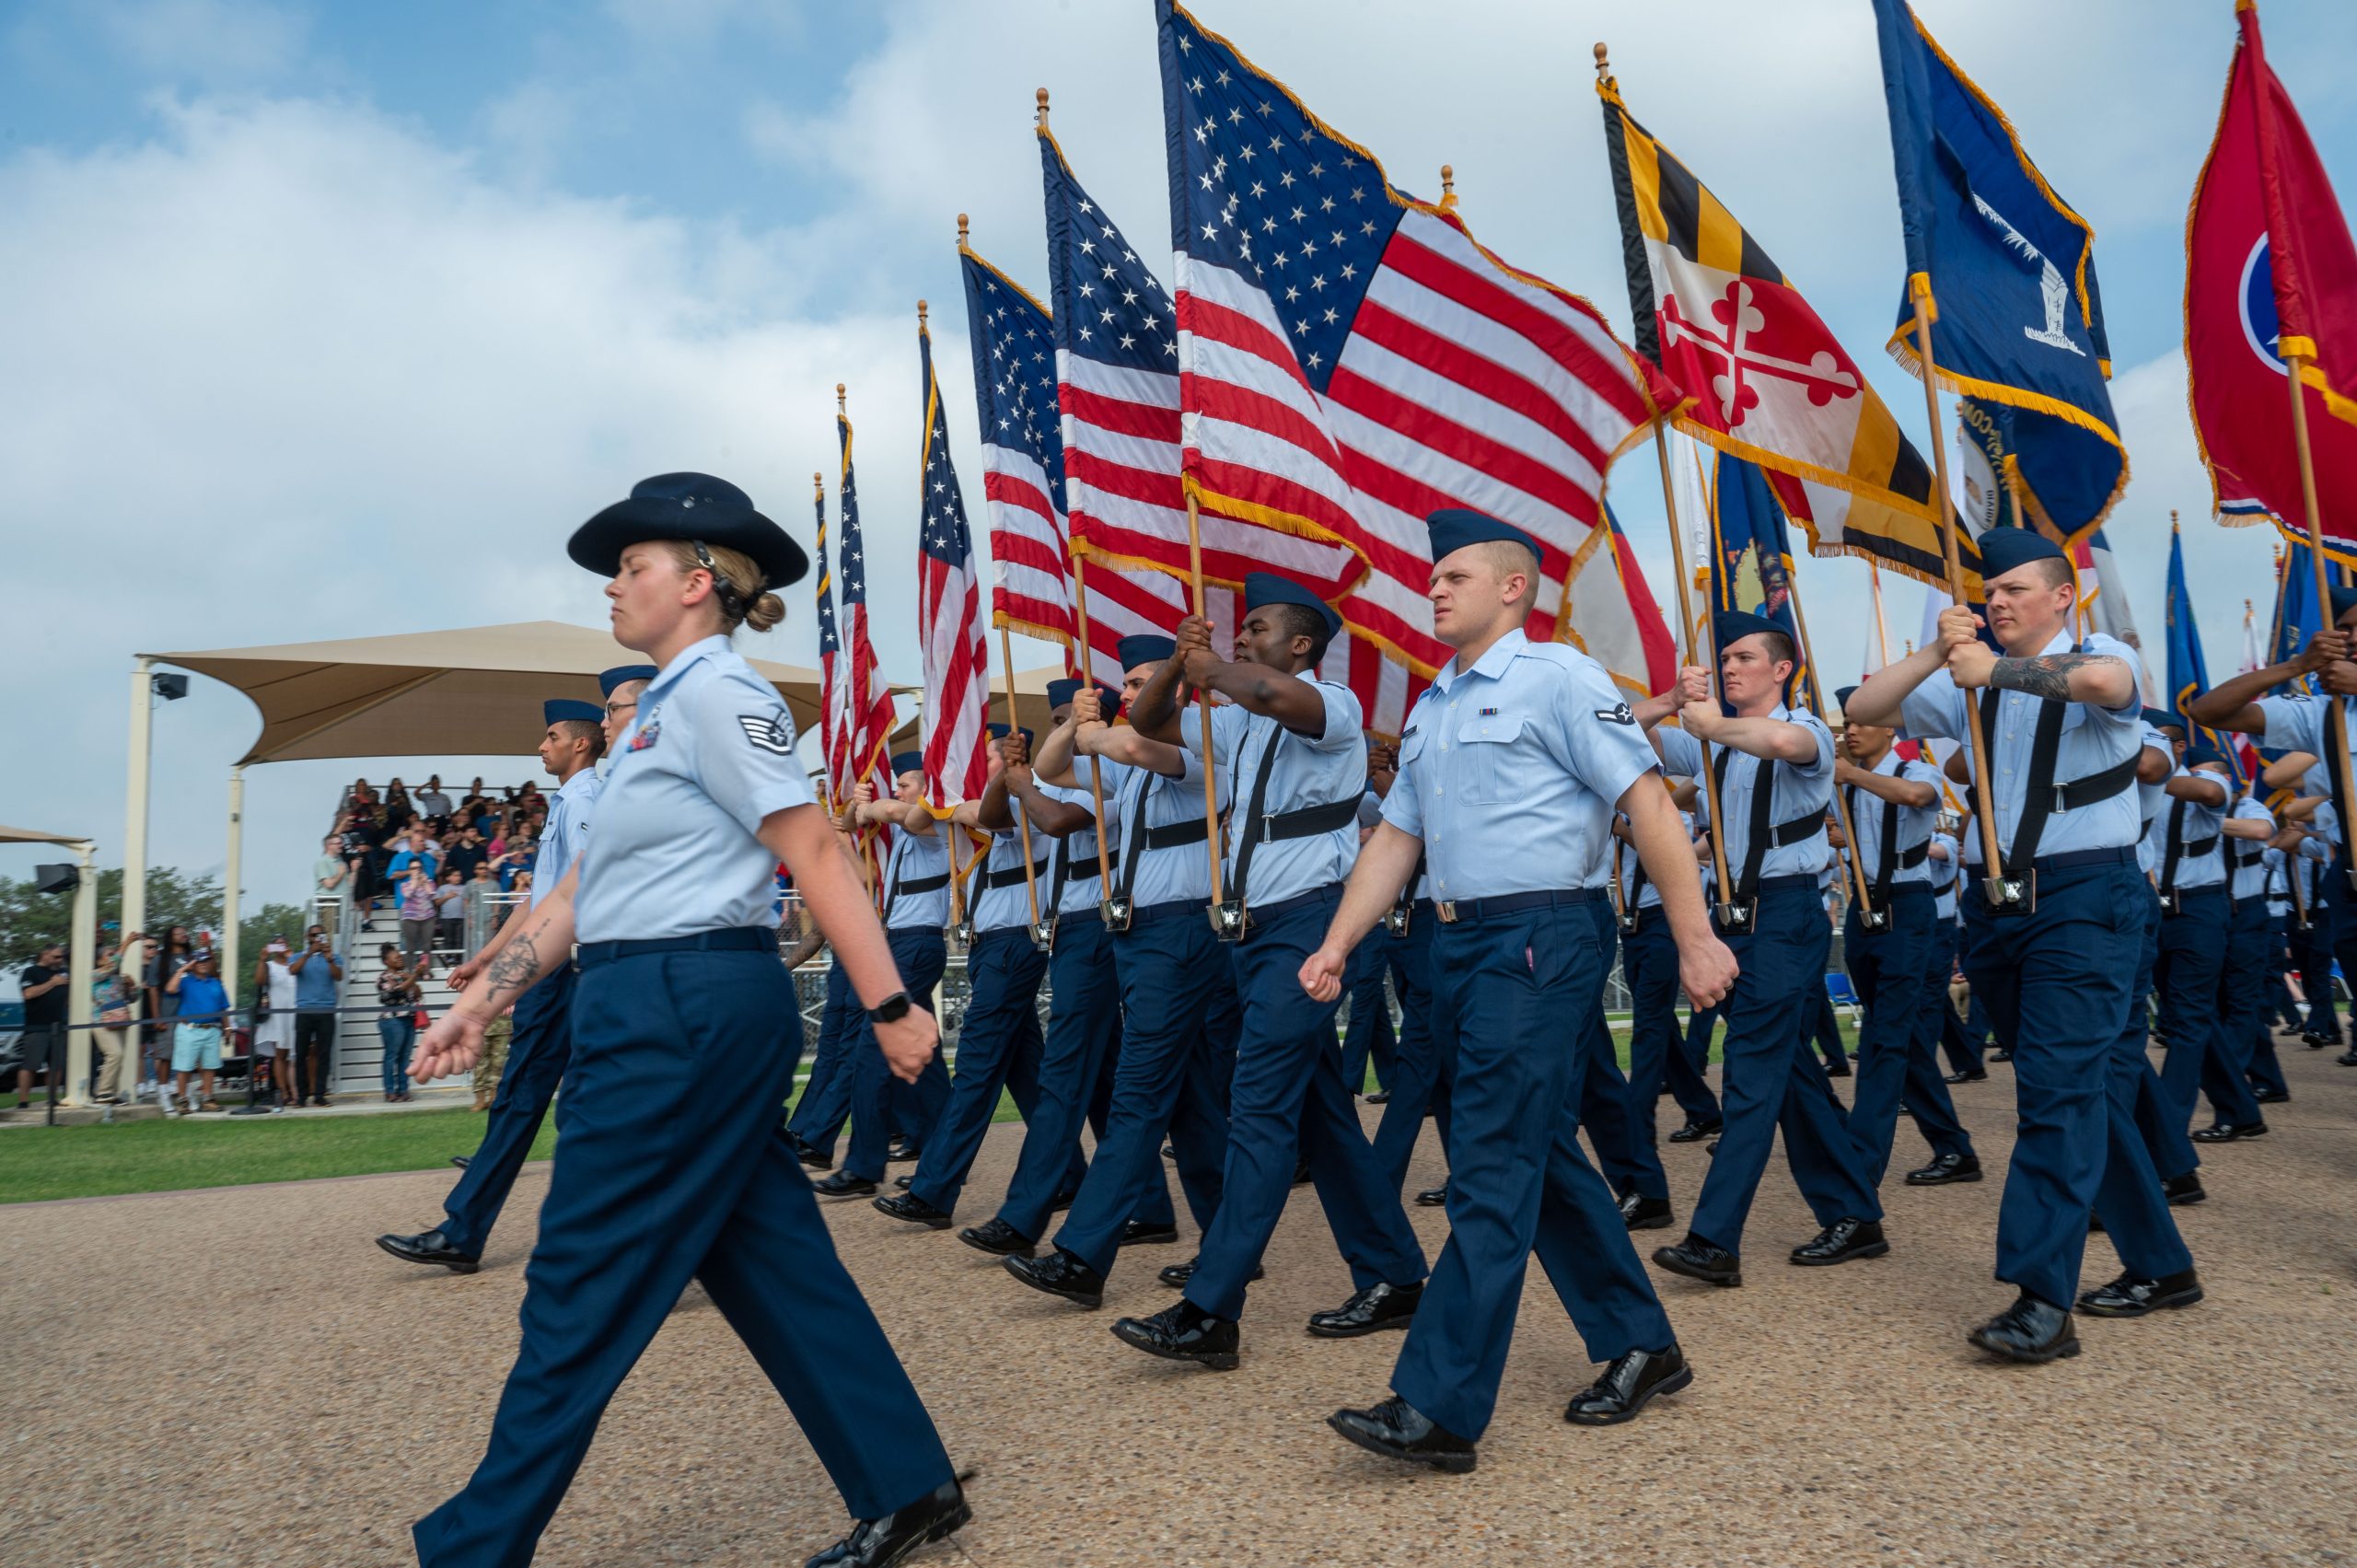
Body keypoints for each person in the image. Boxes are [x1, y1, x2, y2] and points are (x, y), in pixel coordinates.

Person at [401, 471, 967, 1567]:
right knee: (769, 1253)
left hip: (684, 1002)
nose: (614, 586)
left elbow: (814, 848)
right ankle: (908, 1482)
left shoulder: (721, 695)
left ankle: (472, 1549)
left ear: (698, 584)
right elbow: (570, 901)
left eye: (633, 567)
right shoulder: (654, 715)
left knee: (575, 1277)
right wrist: (476, 1000)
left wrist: (890, 1002)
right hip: (649, 995)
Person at [1304, 509, 1736, 1470]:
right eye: (1433, 576)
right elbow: (1396, 838)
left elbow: (1647, 800)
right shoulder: (1432, 703)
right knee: (1530, 1146)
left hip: (1541, 935)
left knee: (1491, 1166)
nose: (1434, 587)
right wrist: (1338, 939)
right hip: (1457, 944)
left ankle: (1438, 1403)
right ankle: (1642, 1342)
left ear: (1512, 587)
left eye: (1453, 575)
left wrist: (1694, 932)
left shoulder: (1560, 678)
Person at [1848, 526, 2197, 1359]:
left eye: (2013, 590)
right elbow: (1864, 710)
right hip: (1998, 908)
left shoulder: (2096, 651)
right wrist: (1942, 652)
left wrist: (1997, 666)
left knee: (2053, 1091)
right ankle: (2163, 1262)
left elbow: (2109, 683)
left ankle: (2043, 1297)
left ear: (2061, 596)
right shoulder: (1970, 682)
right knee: (2082, 1093)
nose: (1996, 602)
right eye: (1988, 592)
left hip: (2085, 899)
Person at [1107, 574, 1429, 1370]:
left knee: (1256, 1108)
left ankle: (1211, 1308)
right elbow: (1149, 724)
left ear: (1301, 644)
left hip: (1309, 921)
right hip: (1249, 933)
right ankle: (1394, 1274)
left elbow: (1282, 700)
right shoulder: (1237, 723)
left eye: (1255, 627)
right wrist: (1181, 670)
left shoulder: (1336, 704)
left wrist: (1217, 670)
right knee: (1321, 1113)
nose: (1239, 635)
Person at [1641, 612, 1888, 1288]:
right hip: (1728, 921)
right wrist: (1668, 702)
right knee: (1790, 1075)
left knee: (1750, 1072)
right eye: (1723, 658)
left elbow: (1779, 741)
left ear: (1782, 669)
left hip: (1785, 915)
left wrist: (1711, 723)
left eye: (1744, 656)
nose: (1729, 666)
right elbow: (1626, 737)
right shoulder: (1709, 741)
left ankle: (1714, 1239)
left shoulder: (1802, 725)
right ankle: (1854, 1213)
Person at [1000, 633, 1237, 1309]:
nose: (1125, 695)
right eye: (1124, 685)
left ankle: (1081, 1255)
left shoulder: (1193, 746)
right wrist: (1074, 722)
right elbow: (1052, 767)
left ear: (1176, 688)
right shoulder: (1124, 760)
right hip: (1143, 937)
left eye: (1137, 684)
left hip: (1181, 930)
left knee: (1136, 1097)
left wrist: (1103, 727)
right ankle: (1230, 1247)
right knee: (1191, 1105)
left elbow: (1129, 744)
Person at [377, 691, 610, 1272]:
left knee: (536, 1099)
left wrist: (514, 972)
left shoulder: (584, 798)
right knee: (536, 1100)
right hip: (555, 970)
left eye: (551, 737)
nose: (542, 745)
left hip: (566, 974)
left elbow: (577, 895)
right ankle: (472, 1224)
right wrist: (488, 960)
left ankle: (467, 1228)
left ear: (580, 743)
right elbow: (540, 898)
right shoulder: (568, 800)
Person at [958, 680, 1183, 1258]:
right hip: (1074, 926)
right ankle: (1153, 1208)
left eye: (1070, 716)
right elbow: (992, 819)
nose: (1063, 727)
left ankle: (1023, 1215)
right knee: (1104, 1078)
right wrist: (1010, 776)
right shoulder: (1064, 769)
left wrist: (1022, 783)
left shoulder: (1108, 772)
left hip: (1101, 926)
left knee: (1063, 1073)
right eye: (1057, 717)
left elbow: (1056, 821)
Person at [872, 726, 1057, 1229]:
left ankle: (933, 1190)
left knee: (975, 1070)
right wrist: (942, 794)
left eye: (984, 760)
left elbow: (984, 814)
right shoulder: (964, 806)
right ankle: (1070, 1177)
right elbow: (913, 819)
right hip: (988, 946)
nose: (971, 772)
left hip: (1014, 941)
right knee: (1030, 1077)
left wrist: (1005, 778)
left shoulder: (1026, 797)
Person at [1831, 688, 1980, 1188]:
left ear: (1890, 727)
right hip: (1862, 906)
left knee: (1885, 1037)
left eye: (1860, 720)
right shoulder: (1841, 779)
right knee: (1900, 1034)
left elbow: (1919, 799)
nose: (1850, 730)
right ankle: (1954, 1148)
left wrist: (1850, 775)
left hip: (1908, 903)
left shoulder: (1916, 770)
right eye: (1846, 723)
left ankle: (1859, 1164)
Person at [809, 752, 954, 1198]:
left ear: (927, 789)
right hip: (897, 944)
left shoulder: (932, 825)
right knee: (923, 1062)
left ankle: (864, 1167)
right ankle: (945, 1157)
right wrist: (857, 802)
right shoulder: (900, 831)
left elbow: (898, 813)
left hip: (916, 943)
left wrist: (875, 806)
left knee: (873, 1050)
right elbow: (847, 825)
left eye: (906, 784)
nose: (898, 791)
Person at [163, 950, 230, 1115]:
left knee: (209, 1066)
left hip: (212, 1029)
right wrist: (183, 969)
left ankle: (208, 1099)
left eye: (206, 960)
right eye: (198, 961)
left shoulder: (216, 982)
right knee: (184, 1067)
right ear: (192, 964)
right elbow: (170, 989)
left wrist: (227, 1028)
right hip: (189, 1029)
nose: (203, 963)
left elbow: (223, 1007)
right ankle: (182, 1101)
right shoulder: (186, 981)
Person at [288, 924, 343, 1107]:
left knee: (324, 1054)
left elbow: (339, 976)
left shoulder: (333, 956)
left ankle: (320, 1095)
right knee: (301, 1053)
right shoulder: (298, 956)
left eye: (320, 934)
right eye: (313, 935)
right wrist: (309, 953)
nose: (317, 938)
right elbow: (293, 970)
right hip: (304, 1009)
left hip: (326, 1009)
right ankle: (301, 1097)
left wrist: (329, 960)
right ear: (307, 937)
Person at [17, 943, 70, 1109]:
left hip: (59, 1026)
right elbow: (28, 994)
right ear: (44, 955)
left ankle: (52, 1099)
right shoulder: (31, 972)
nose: (60, 960)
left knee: (57, 1064)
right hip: (36, 1026)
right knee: (31, 1064)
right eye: (56, 957)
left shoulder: (64, 973)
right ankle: (23, 1100)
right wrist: (53, 983)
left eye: (61, 957)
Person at [250, 937, 298, 1109]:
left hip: (295, 1011)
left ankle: (297, 1093)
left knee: (295, 1055)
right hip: (278, 1013)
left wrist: (292, 957)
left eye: (284, 943)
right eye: (277, 943)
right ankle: (283, 1092)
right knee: (281, 1054)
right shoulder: (270, 965)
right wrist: (262, 959)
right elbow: (259, 981)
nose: (281, 946)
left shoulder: (295, 963)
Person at [88, 942, 136, 1106]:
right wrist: (126, 945)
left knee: (120, 1056)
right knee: (115, 1053)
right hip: (101, 1020)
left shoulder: (117, 977)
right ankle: (103, 1092)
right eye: (110, 954)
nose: (114, 957)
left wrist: (133, 986)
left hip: (121, 1020)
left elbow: (133, 999)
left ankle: (112, 1093)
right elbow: (113, 965)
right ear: (99, 960)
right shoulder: (95, 975)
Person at [377, 945, 424, 1102]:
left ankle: (403, 1090)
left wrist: (412, 979)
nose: (400, 959)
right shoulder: (384, 977)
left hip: (409, 1019)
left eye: (400, 957)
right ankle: (390, 1091)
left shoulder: (406, 975)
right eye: (396, 958)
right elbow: (397, 991)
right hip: (392, 1020)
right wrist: (414, 976)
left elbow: (417, 994)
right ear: (386, 962)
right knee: (392, 1056)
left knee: (405, 1056)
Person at [397, 863, 438, 962]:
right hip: (410, 918)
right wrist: (415, 881)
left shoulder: (430, 882)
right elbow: (408, 895)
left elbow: (432, 895)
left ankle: (425, 971)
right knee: (410, 947)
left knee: (427, 947)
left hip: (427, 917)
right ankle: (410, 971)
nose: (417, 870)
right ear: (409, 870)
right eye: (414, 868)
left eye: (419, 867)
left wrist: (424, 883)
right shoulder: (404, 884)